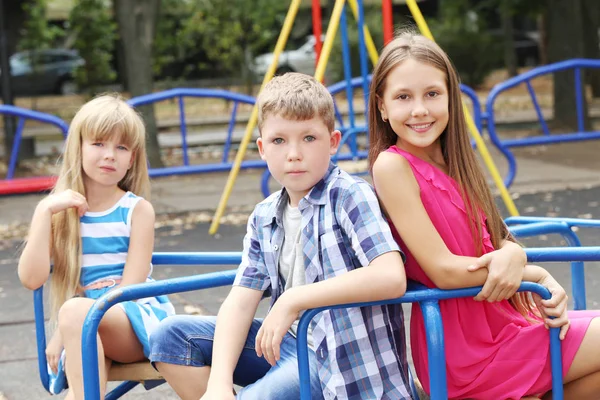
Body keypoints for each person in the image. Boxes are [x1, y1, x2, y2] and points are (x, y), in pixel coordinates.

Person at [149, 72, 413, 400]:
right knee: (170, 337)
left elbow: (390, 277)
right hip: (286, 344)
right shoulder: (265, 214)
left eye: (309, 138)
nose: (293, 153)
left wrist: (294, 298)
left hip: (333, 356)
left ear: (333, 142)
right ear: (262, 148)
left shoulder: (348, 195)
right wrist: (218, 384)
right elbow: (241, 300)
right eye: (279, 141)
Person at [368, 31, 600, 399]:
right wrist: (534, 271)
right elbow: (443, 271)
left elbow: (497, 241)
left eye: (432, 94)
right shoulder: (392, 166)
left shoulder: (456, 162)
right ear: (381, 106)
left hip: (508, 324)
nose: (420, 110)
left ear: (450, 97)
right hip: (464, 349)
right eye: (403, 97)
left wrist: (514, 252)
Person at [18, 94, 175, 399]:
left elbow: (130, 288)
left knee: (78, 314)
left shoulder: (136, 210)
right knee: (80, 391)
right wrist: (44, 211)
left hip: (131, 320)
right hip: (84, 327)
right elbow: (31, 278)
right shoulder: (60, 212)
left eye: (121, 147)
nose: (109, 155)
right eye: (99, 143)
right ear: (78, 147)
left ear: (132, 157)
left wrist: (65, 330)